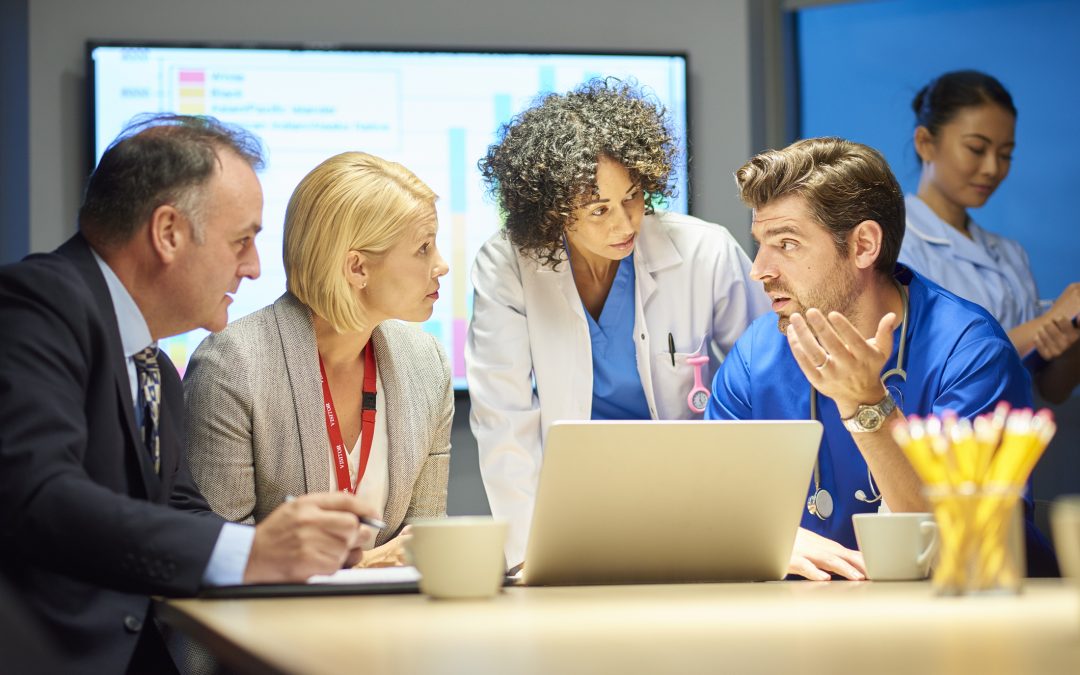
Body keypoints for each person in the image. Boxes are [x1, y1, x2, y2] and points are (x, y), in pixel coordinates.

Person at [0, 115, 376, 674]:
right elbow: (39, 495)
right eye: (242, 240)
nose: (253, 268)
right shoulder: (36, 305)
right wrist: (252, 551)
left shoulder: (153, 365)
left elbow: (178, 510)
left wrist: (298, 548)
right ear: (168, 232)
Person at [706, 136, 1056, 580]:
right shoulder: (758, 354)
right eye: (761, 243)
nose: (759, 270)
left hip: (954, 609)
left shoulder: (971, 353)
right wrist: (772, 541)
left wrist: (866, 405)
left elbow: (964, 544)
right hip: (806, 609)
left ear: (864, 245)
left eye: (787, 244)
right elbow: (710, 506)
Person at [467, 79, 770, 569]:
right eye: (598, 210)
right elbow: (503, 416)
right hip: (576, 499)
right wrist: (527, 558)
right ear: (552, 212)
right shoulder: (509, 264)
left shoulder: (703, 250)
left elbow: (770, 371)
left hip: (695, 491)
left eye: (632, 197)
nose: (625, 224)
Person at [185, 151, 453, 568]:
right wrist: (362, 565)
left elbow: (423, 547)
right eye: (423, 248)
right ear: (357, 268)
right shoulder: (233, 367)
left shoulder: (427, 364)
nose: (442, 265)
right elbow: (221, 559)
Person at [899, 70, 1080, 403]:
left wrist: (1067, 345)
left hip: (1019, 432)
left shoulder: (1010, 254)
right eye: (976, 148)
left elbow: (1051, 391)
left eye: (1005, 154)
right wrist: (1046, 322)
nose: (992, 169)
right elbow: (930, 372)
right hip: (943, 431)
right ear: (925, 143)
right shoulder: (896, 245)